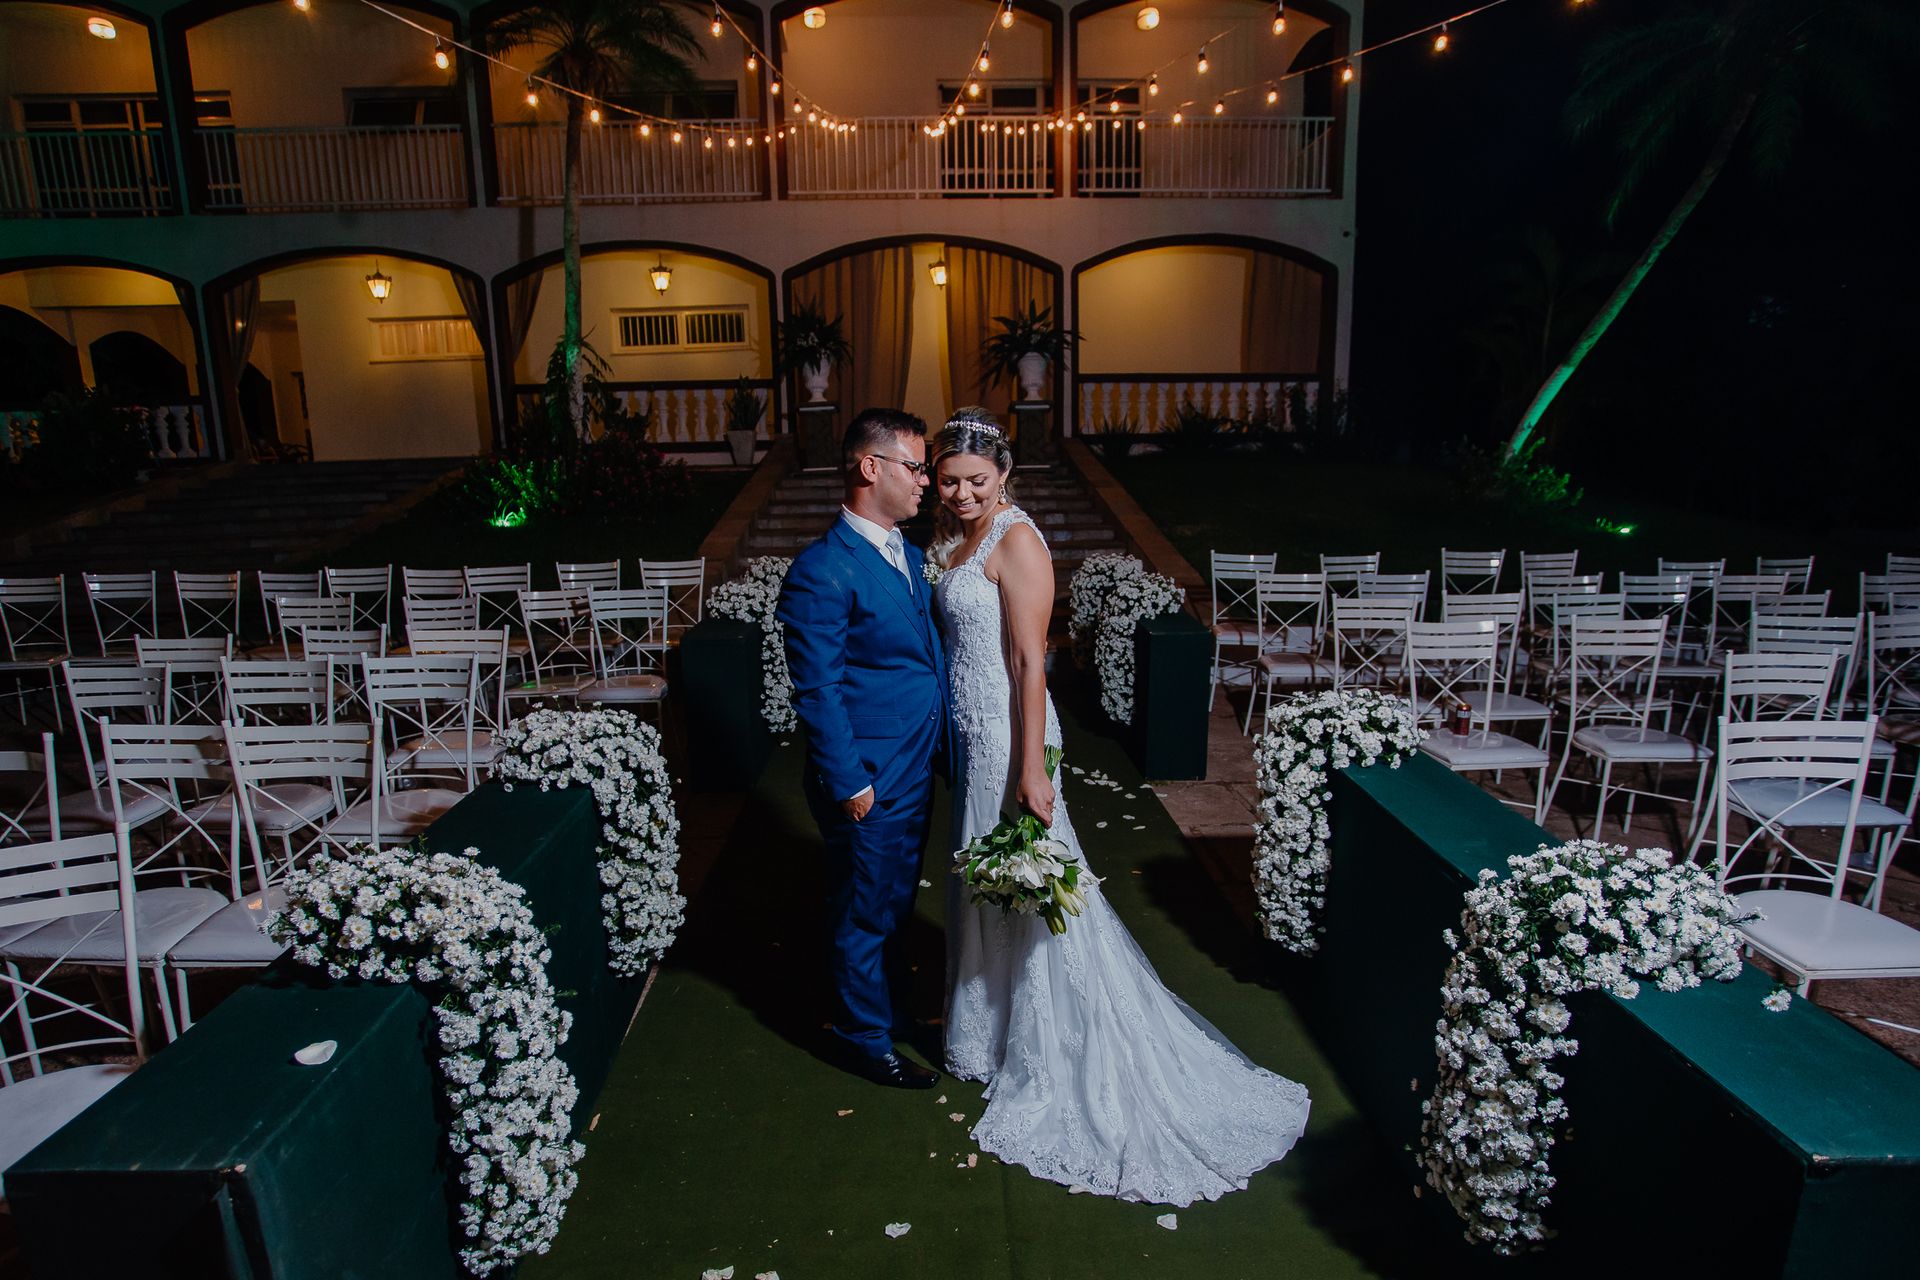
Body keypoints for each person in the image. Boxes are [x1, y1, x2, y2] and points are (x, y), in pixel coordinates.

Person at [932, 409, 1310, 1204]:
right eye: (949, 480)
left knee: (1038, 891)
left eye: (975, 480)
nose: (962, 492)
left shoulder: (1019, 540)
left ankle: (1059, 1048)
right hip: (975, 734)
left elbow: (1033, 662)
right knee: (993, 886)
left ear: (1003, 473)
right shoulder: (962, 539)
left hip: (1012, 737)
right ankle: (1000, 1034)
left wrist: (1032, 768)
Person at [777, 409, 950, 1090]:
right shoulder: (821, 570)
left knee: (895, 902)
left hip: (914, 766)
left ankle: (888, 1012)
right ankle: (860, 1036)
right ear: (869, 467)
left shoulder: (907, 554)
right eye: (915, 467)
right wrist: (851, 784)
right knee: (864, 909)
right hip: (869, 777)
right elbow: (817, 690)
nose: (927, 482)